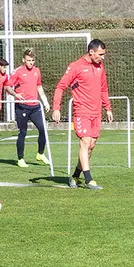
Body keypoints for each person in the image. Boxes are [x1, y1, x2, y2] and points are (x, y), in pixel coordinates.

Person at [52, 39, 113, 190]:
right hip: (81, 111)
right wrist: (56, 108)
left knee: (91, 146)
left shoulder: (100, 66)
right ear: (91, 51)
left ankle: (75, 176)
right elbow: (60, 87)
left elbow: (103, 88)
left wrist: (108, 108)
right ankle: (88, 179)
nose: (103, 57)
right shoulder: (76, 66)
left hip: (96, 112)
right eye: (100, 54)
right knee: (85, 142)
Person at [4, 49, 51, 168]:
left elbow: (39, 86)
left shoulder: (37, 71)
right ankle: (20, 159)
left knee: (43, 129)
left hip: (35, 106)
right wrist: (16, 94)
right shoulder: (18, 71)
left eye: (33, 60)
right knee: (23, 132)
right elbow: (7, 87)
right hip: (22, 107)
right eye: (29, 60)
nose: (31, 62)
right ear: (23, 60)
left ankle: (40, 154)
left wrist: (45, 101)